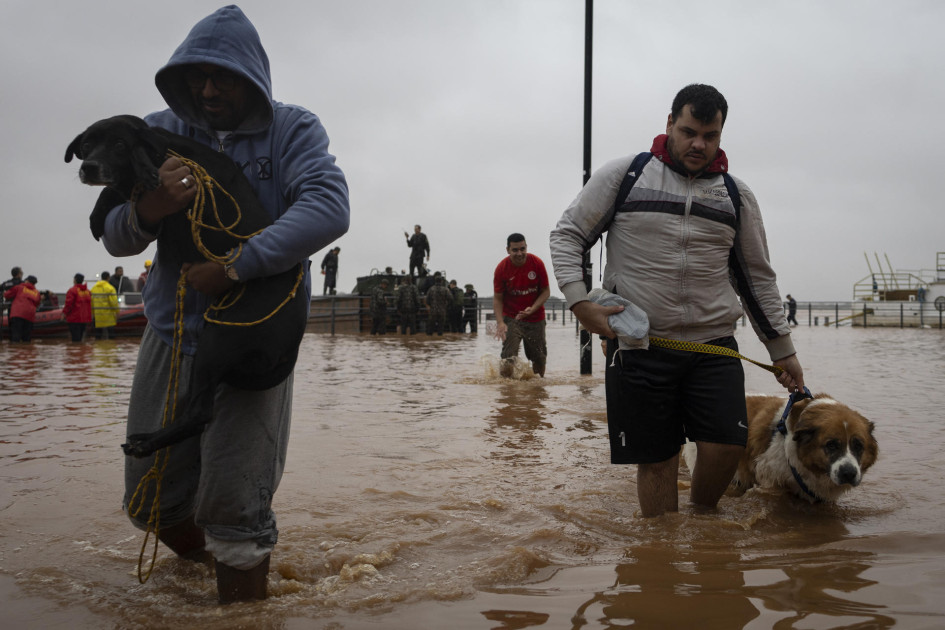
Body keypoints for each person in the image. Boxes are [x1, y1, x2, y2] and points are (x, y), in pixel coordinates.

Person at [96, 6, 349, 603]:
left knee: (236, 508)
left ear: (252, 78)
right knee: (149, 500)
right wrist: (149, 209)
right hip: (171, 334)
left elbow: (329, 208)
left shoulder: (293, 130)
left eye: (224, 78)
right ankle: (205, 574)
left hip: (253, 340)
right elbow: (111, 231)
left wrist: (235, 264)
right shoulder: (156, 131)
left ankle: (241, 597)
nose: (208, 90)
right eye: (196, 78)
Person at [549, 83, 804, 518]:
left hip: (713, 344)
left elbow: (757, 279)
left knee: (728, 444)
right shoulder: (625, 175)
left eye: (710, 135)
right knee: (658, 459)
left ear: (722, 135)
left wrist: (783, 352)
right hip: (641, 347)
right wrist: (579, 304)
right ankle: (660, 549)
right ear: (669, 123)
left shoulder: (736, 196)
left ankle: (703, 520)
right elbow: (568, 234)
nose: (698, 144)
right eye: (688, 132)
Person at [493, 233, 550, 377]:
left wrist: (533, 308)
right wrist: (500, 322)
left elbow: (546, 291)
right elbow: (498, 298)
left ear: (526, 247)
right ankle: (507, 391)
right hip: (512, 318)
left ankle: (537, 389)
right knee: (508, 356)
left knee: (539, 357)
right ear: (508, 250)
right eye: (515, 250)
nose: (519, 253)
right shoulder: (502, 268)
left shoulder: (537, 263)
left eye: (522, 249)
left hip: (535, 317)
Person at [3, 274, 40, 342]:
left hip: (17, 314)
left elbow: (6, 295)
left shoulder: (19, 287)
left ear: (27, 281)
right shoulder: (36, 292)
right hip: (29, 316)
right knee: (26, 338)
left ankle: (14, 351)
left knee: (15, 338)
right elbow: (37, 303)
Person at [62, 273, 92, 342]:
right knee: (80, 338)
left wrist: (64, 314)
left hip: (74, 318)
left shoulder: (72, 291)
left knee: (75, 340)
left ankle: (76, 351)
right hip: (84, 319)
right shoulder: (88, 291)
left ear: (75, 280)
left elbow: (68, 304)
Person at [91, 271, 119, 339]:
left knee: (98, 337)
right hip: (108, 316)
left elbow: (91, 302)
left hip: (98, 316)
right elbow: (113, 302)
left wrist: (92, 313)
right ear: (108, 278)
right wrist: (117, 312)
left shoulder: (94, 288)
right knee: (111, 337)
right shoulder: (110, 288)